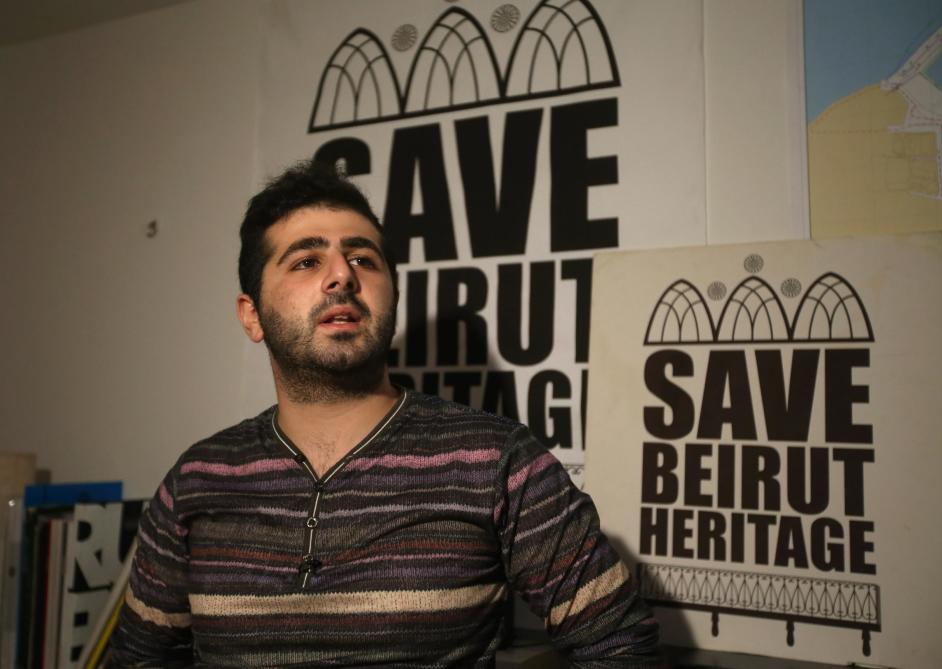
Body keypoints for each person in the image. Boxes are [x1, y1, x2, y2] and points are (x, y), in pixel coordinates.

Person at [109, 160, 664, 668]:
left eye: (362, 259)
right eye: (306, 260)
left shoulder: (498, 462)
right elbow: (137, 660)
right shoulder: (196, 481)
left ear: (392, 296)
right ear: (251, 316)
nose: (342, 276)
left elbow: (621, 648)